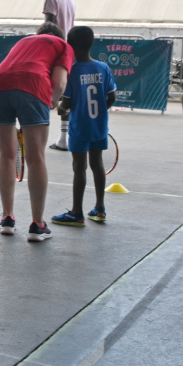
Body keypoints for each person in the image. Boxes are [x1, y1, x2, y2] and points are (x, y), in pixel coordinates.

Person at [0, 22, 73, 241]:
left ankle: (7, 218)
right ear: (59, 36)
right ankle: (37, 224)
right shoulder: (63, 45)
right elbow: (60, 82)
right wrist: (53, 101)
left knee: (6, 154)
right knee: (36, 157)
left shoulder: (24, 41)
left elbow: (13, 67)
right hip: (33, 86)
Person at [50, 26, 116, 226]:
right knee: (97, 165)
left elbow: (66, 103)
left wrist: (61, 108)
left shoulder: (74, 71)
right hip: (99, 126)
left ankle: (76, 212)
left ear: (70, 46)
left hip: (79, 127)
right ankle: (100, 208)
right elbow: (111, 97)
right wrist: (101, 113)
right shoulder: (103, 68)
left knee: (79, 167)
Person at [43, 0, 76, 151]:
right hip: (68, 52)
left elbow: (48, 28)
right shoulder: (70, 0)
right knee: (66, 95)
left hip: (54, 51)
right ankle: (64, 138)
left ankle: (37, 131)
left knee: (46, 93)